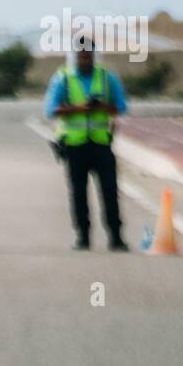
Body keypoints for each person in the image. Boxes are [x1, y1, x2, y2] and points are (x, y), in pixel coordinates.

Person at [44, 34, 129, 251]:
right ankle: (83, 236)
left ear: (94, 55)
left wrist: (101, 106)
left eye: (88, 55)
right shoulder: (63, 78)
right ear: (74, 55)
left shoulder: (107, 78)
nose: (85, 59)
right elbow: (51, 110)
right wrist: (79, 108)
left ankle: (116, 237)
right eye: (81, 55)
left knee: (110, 191)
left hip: (101, 144)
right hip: (74, 146)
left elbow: (121, 107)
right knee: (78, 193)